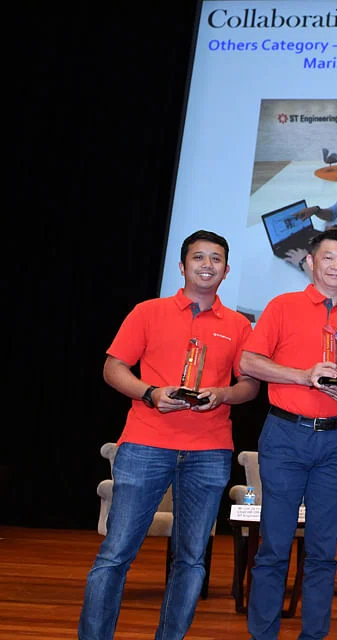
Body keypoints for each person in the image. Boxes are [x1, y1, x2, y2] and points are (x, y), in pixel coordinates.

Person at [79, 230, 260, 640]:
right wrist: (150, 393)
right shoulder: (148, 312)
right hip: (145, 444)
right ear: (182, 266)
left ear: (227, 270)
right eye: (199, 257)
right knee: (115, 554)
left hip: (209, 451)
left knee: (192, 560)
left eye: (216, 259)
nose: (207, 265)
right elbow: (112, 368)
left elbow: (249, 386)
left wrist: (222, 394)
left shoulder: (239, 325)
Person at [240, 228, 337, 640]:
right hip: (286, 436)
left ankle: (313, 635)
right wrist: (303, 376)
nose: (336, 266)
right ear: (311, 262)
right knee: (274, 546)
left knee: (323, 551)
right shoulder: (283, 306)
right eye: (328, 258)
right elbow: (248, 362)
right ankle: (263, 634)